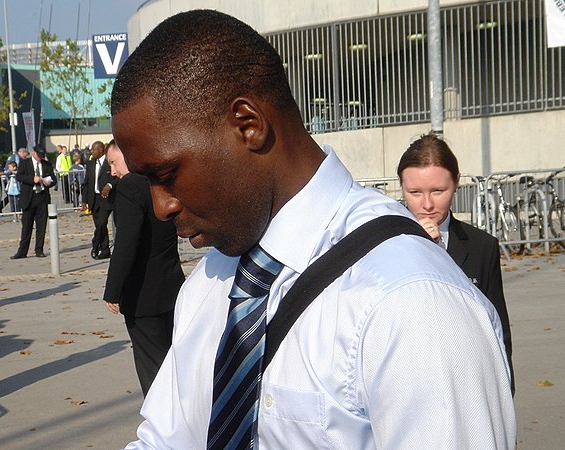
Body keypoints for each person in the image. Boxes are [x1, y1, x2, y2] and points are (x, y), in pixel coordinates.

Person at [111, 10, 516, 449]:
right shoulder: (210, 283)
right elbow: (166, 440)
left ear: (248, 126)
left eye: (166, 173)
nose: (161, 205)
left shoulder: (413, 302)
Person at [397, 131, 515, 394]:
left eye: (438, 191)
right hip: (407, 386)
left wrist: (504, 395)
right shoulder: (385, 242)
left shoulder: (482, 246)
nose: (427, 204)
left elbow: (498, 331)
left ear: (457, 182)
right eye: (414, 192)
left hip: (468, 385)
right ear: (401, 186)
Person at [103, 141, 185, 397]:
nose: (113, 172)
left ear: (127, 156)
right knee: (174, 360)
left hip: (143, 295)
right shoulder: (159, 181)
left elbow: (127, 242)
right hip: (172, 287)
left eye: (114, 163)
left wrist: (112, 290)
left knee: (152, 366)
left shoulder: (131, 186)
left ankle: (163, 427)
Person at [11, 145, 56, 259]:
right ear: (33, 153)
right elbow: (19, 176)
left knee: (41, 225)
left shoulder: (47, 164)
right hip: (29, 198)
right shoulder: (25, 163)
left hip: (42, 198)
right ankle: (22, 251)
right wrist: (32, 179)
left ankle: (39, 249)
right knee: (26, 226)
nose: (40, 158)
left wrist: (49, 182)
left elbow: (54, 178)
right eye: (38, 156)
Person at [81, 140, 117, 259]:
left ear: (100, 150)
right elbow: (86, 183)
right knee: (99, 226)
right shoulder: (90, 164)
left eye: (93, 149)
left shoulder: (109, 163)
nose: (91, 151)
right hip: (94, 199)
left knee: (102, 222)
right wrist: (84, 200)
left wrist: (110, 185)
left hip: (106, 199)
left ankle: (95, 243)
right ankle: (105, 249)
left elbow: (117, 178)